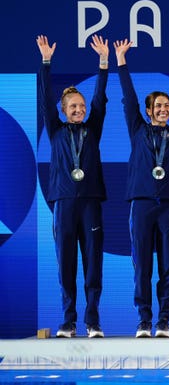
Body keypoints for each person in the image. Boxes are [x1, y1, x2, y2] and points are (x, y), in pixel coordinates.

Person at [113, 37, 169, 338]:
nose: (164, 109)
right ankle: (143, 321)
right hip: (141, 204)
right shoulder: (137, 128)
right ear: (149, 110)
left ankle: (164, 320)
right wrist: (121, 62)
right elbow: (128, 98)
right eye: (159, 106)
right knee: (141, 266)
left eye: (166, 105)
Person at [36, 34, 109, 338]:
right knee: (66, 263)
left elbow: (100, 97)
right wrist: (46, 63)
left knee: (92, 263)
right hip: (63, 201)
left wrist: (103, 63)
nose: (80, 109)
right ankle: (68, 321)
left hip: (90, 201)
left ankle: (92, 321)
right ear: (64, 110)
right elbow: (44, 97)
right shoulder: (55, 130)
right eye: (73, 106)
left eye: (81, 105)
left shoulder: (93, 127)